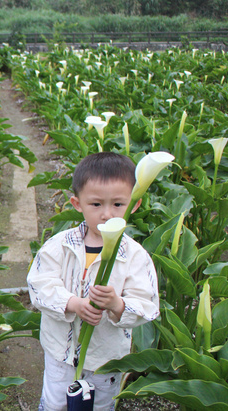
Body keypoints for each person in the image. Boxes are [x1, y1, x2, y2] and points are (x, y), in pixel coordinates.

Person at [27, 152, 159, 411]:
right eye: (96, 205)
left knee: (99, 406)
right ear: (77, 203)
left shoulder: (135, 256)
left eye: (118, 205)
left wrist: (117, 304)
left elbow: (147, 304)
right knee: (55, 404)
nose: (107, 214)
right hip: (60, 354)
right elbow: (38, 286)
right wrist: (73, 303)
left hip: (105, 360)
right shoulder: (58, 246)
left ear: (134, 204)